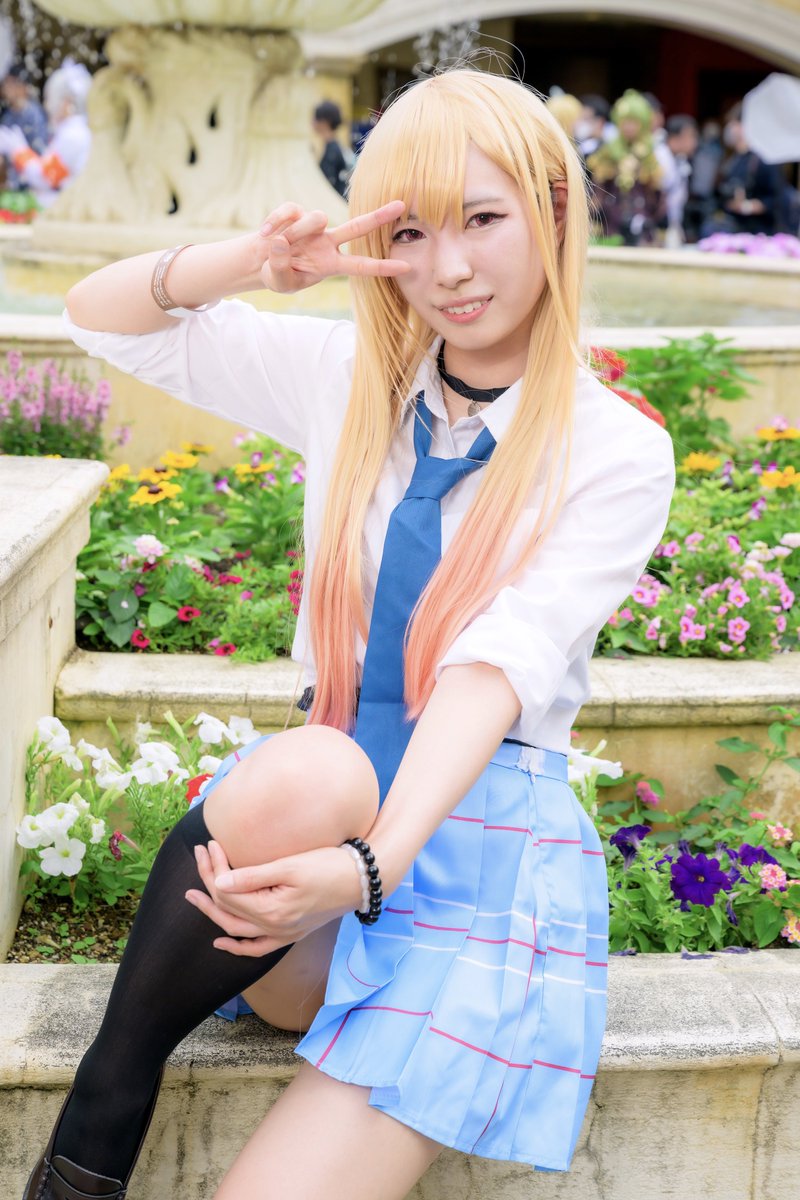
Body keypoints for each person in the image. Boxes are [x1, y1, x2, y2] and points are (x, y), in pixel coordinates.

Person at [24, 67, 675, 1200]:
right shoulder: (348, 381)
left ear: (555, 211)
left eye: (482, 220)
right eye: (410, 233)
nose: (448, 268)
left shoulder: (615, 451)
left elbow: (494, 667)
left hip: (467, 866)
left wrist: (371, 868)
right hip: (315, 840)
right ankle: (100, 1116)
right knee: (310, 764)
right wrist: (250, 265)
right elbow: (97, 316)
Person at [0, 58, 91, 208]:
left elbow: (45, 177)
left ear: (67, 102)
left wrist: (18, 151)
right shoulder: (78, 129)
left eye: (51, 99)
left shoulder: (73, 134)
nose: (48, 106)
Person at [586, 89, 665, 245]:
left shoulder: (649, 153)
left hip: (641, 220)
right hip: (610, 220)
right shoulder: (608, 151)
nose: (629, 127)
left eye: (634, 122)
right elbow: (597, 189)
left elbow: (656, 193)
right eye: (625, 121)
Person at [702, 102, 784, 237]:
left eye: (734, 123)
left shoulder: (764, 159)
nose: (730, 128)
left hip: (757, 232)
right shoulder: (733, 158)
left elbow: (776, 199)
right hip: (733, 228)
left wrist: (747, 206)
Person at [0, 63, 48, 190]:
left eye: (9, 83)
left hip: (32, 185)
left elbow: (40, 152)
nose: (5, 88)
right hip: (10, 185)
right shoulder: (8, 116)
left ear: (21, 86)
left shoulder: (33, 114)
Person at [654, 114, 699, 247]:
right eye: (692, 136)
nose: (695, 142)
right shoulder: (659, 158)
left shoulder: (681, 160)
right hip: (657, 226)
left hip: (672, 224)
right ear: (677, 138)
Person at [312, 99, 351, 198]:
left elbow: (328, 184)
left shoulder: (332, 152)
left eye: (316, 118)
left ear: (325, 122)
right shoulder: (335, 147)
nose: (313, 122)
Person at [574, 93, 612, 159]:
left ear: (600, 122)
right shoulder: (581, 146)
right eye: (581, 118)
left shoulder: (609, 150)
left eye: (586, 119)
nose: (581, 123)